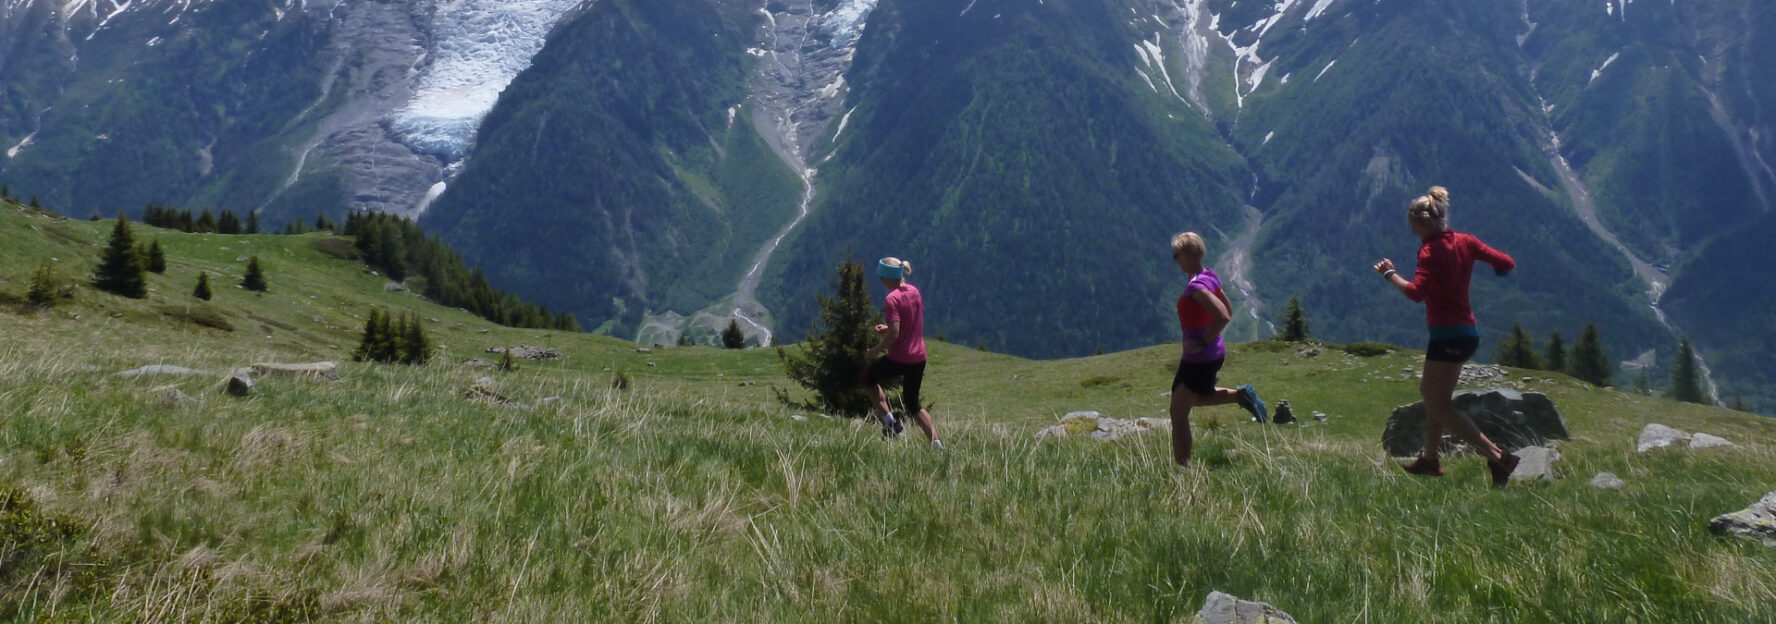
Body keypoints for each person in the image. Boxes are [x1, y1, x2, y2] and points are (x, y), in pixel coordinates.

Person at [1372, 186, 1521, 486]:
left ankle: (1498, 456)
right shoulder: (1465, 241)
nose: (1409, 227)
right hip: (1466, 332)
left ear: (1420, 223)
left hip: (1446, 337)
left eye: (1410, 222)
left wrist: (1390, 275)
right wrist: (1497, 269)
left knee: (1439, 404)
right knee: (1433, 396)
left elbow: (1416, 293)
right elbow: (1505, 262)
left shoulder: (1429, 251)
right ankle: (1429, 459)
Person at [1168, 232, 1267, 467]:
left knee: (1178, 413)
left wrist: (1201, 341)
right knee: (1192, 400)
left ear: (1188, 255)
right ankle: (1241, 396)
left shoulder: (1196, 287)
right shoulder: (1209, 276)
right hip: (1210, 354)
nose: (1175, 260)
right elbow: (1228, 310)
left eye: (1176, 255)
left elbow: (1222, 315)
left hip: (1198, 358)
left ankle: (1183, 470)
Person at [863, 257, 943, 449]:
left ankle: (891, 424)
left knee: (867, 378)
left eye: (881, 277)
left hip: (900, 358)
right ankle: (937, 445)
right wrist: (888, 327)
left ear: (886, 278)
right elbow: (910, 320)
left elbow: (896, 333)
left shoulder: (892, 299)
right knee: (912, 403)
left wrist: (876, 350)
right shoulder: (914, 291)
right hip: (919, 357)